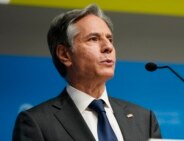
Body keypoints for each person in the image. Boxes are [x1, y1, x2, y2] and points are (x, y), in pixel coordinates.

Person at [13, 4, 162, 141]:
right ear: (65, 54)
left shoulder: (144, 119)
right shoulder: (37, 122)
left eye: (109, 39)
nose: (108, 47)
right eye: (93, 39)